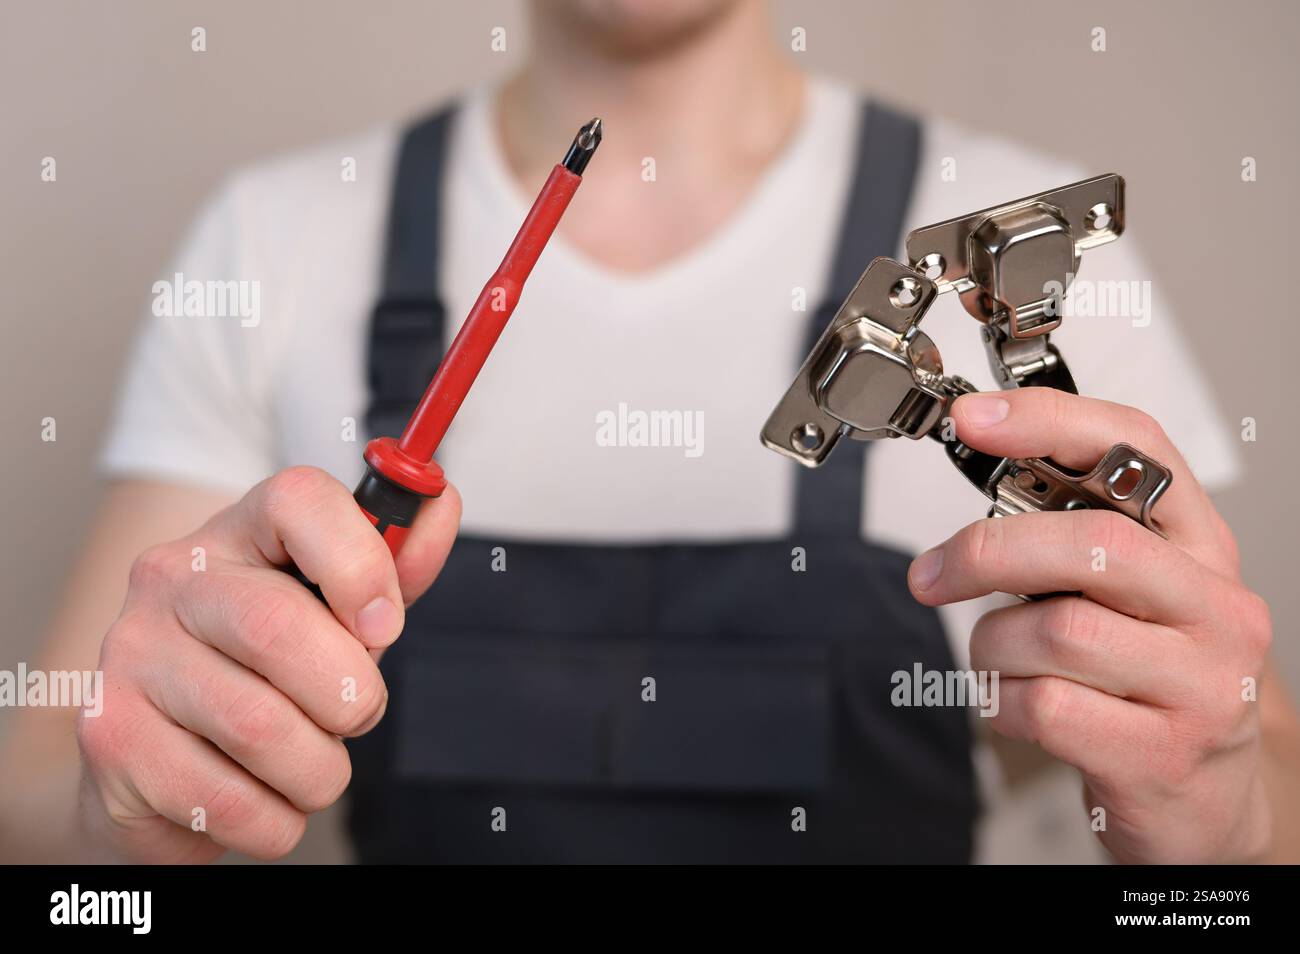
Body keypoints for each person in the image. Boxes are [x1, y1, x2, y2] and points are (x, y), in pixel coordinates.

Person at [2, 0, 1297, 863]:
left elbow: (1262, 804)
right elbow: (39, 811)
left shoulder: (1022, 257)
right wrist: (128, 819)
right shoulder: (277, 239)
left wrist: (1225, 821)